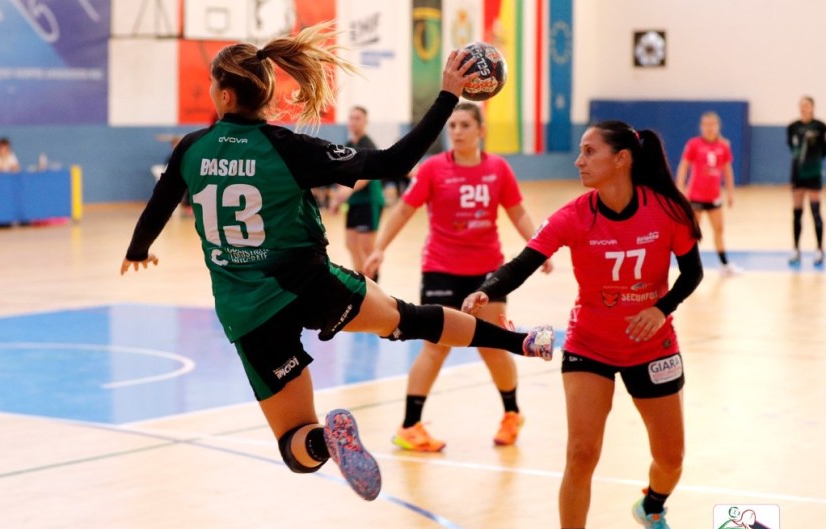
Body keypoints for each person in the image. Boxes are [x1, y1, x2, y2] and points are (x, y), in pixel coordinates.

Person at [121, 23, 553, 503]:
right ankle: (521, 341)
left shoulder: (190, 150)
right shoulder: (287, 148)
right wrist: (447, 95)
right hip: (308, 282)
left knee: (294, 444)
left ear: (224, 95)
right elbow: (393, 162)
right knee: (410, 319)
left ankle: (327, 438)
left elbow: (159, 204)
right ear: (264, 94)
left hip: (248, 312)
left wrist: (138, 250)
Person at [463, 121, 704, 529]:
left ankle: (652, 508)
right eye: (579, 152)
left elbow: (693, 272)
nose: (579, 161)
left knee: (671, 459)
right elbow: (524, 262)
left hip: (652, 345)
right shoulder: (575, 215)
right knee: (581, 452)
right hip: (589, 344)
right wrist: (489, 288)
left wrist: (661, 308)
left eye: (589, 152)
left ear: (622, 159)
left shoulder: (667, 211)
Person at [364, 102, 553, 451]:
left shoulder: (498, 169)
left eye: (465, 125)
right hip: (440, 268)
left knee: (494, 348)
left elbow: (518, 212)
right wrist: (380, 248)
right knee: (435, 348)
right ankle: (409, 426)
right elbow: (404, 210)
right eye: (452, 126)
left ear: (481, 130)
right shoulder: (435, 169)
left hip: (487, 274)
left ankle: (512, 414)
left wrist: (537, 249)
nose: (456, 132)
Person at [676, 112, 740, 275]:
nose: (709, 128)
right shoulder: (693, 144)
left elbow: (727, 171)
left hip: (714, 196)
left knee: (719, 230)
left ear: (718, 126)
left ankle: (724, 264)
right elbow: (684, 166)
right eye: (706, 124)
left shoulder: (723, 146)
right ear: (701, 127)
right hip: (695, 196)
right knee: (693, 233)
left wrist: (731, 192)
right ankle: (691, 265)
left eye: (712, 124)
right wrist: (680, 187)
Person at [329, 106, 387, 278]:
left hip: (369, 201)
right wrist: (336, 200)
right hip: (354, 203)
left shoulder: (368, 145)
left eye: (358, 118)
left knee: (366, 247)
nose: (353, 122)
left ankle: (376, 288)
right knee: (351, 244)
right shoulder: (348, 146)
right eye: (351, 118)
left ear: (365, 122)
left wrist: (348, 190)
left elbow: (368, 174)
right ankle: (363, 284)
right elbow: (343, 175)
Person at [787, 95, 826, 266]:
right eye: (802, 105)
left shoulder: (820, 127)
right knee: (797, 212)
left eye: (807, 105)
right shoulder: (792, 127)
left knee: (816, 211)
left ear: (812, 107)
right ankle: (796, 249)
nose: (804, 108)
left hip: (814, 172)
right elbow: (791, 147)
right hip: (797, 173)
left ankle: (819, 249)